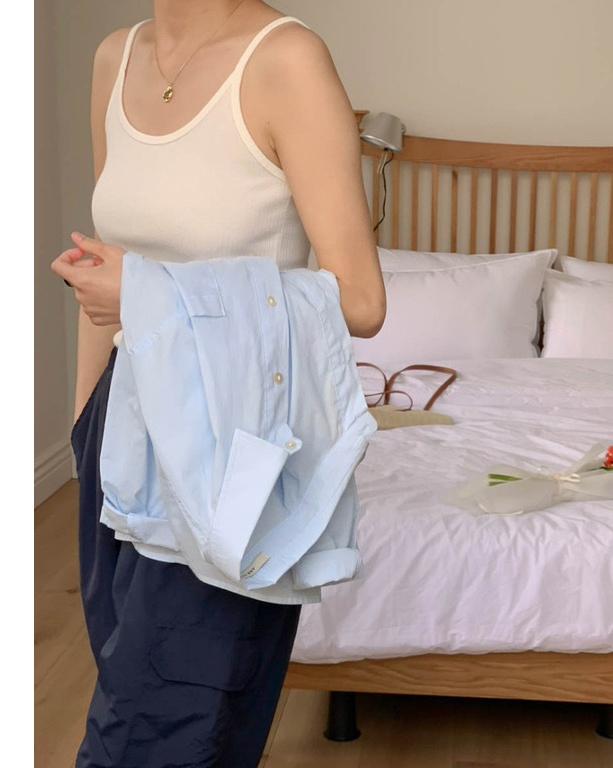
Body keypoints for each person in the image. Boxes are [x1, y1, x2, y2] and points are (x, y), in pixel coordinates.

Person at [50, 1, 386, 765]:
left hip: (234, 438)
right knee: (141, 708)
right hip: (117, 433)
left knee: (160, 737)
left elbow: (361, 300)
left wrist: (148, 293)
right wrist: (83, 434)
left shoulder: (285, 59)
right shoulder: (115, 56)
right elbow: (110, 271)